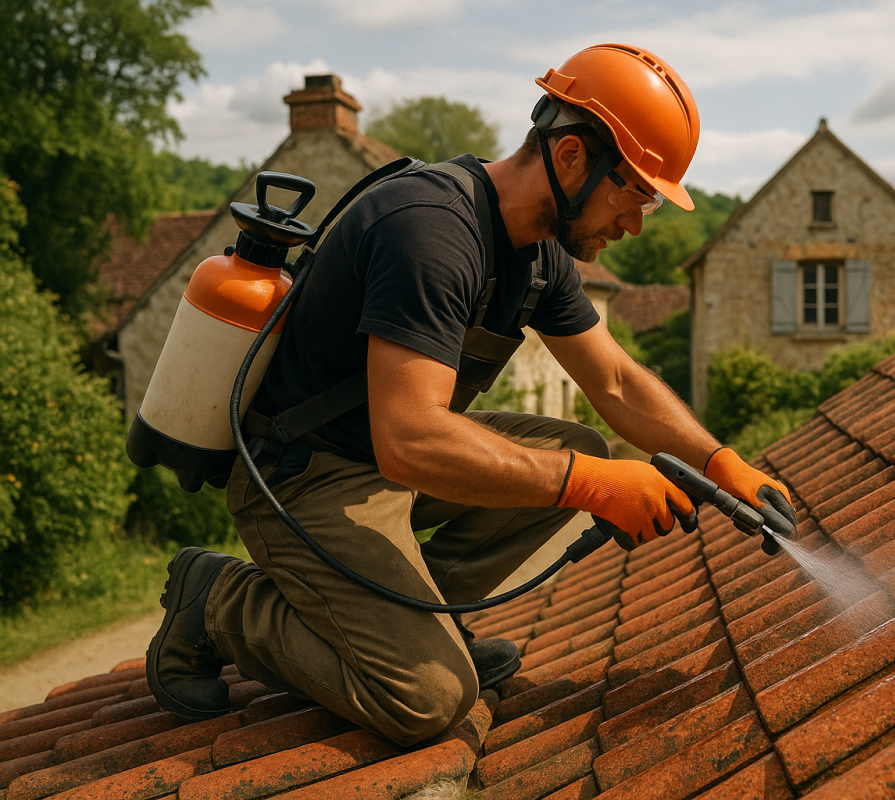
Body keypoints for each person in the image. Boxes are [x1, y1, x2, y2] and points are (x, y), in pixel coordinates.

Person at [145, 43, 795, 746]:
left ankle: (427, 622)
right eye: (633, 193)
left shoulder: (538, 253)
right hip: (303, 478)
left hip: (387, 468)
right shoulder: (429, 230)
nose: (635, 222)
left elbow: (614, 379)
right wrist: (594, 488)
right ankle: (216, 600)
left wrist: (719, 459)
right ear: (573, 156)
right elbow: (411, 438)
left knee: (578, 445)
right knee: (428, 700)